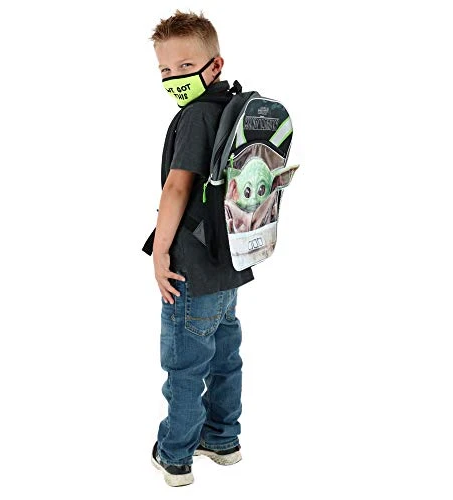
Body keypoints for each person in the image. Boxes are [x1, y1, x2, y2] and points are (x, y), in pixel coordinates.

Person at [146, 9, 254, 487]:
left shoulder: (194, 117)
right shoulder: (233, 107)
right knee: (225, 356)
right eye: (165, 70)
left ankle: (175, 455)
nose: (175, 78)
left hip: (191, 264)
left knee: (186, 366)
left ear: (215, 64)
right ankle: (223, 439)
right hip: (229, 258)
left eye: (186, 66)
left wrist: (160, 253)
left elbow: (177, 188)